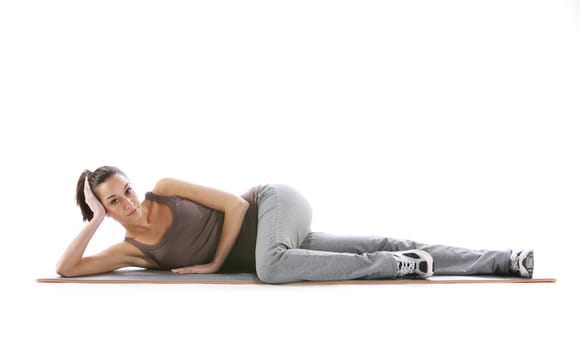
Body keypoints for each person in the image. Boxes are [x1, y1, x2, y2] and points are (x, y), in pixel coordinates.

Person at [56, 165, 534, 283]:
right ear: (104, 209)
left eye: (127, 191)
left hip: (272, 207)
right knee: (381, 239)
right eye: (114, 202)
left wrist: (214, 263)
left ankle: (395, 266)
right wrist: (94, 220)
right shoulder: (132, 251)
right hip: (286, 243)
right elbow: (67, 269)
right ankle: (504, 261)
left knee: (270, 267)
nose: (129, 203)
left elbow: (236, 206)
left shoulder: (165, 185)